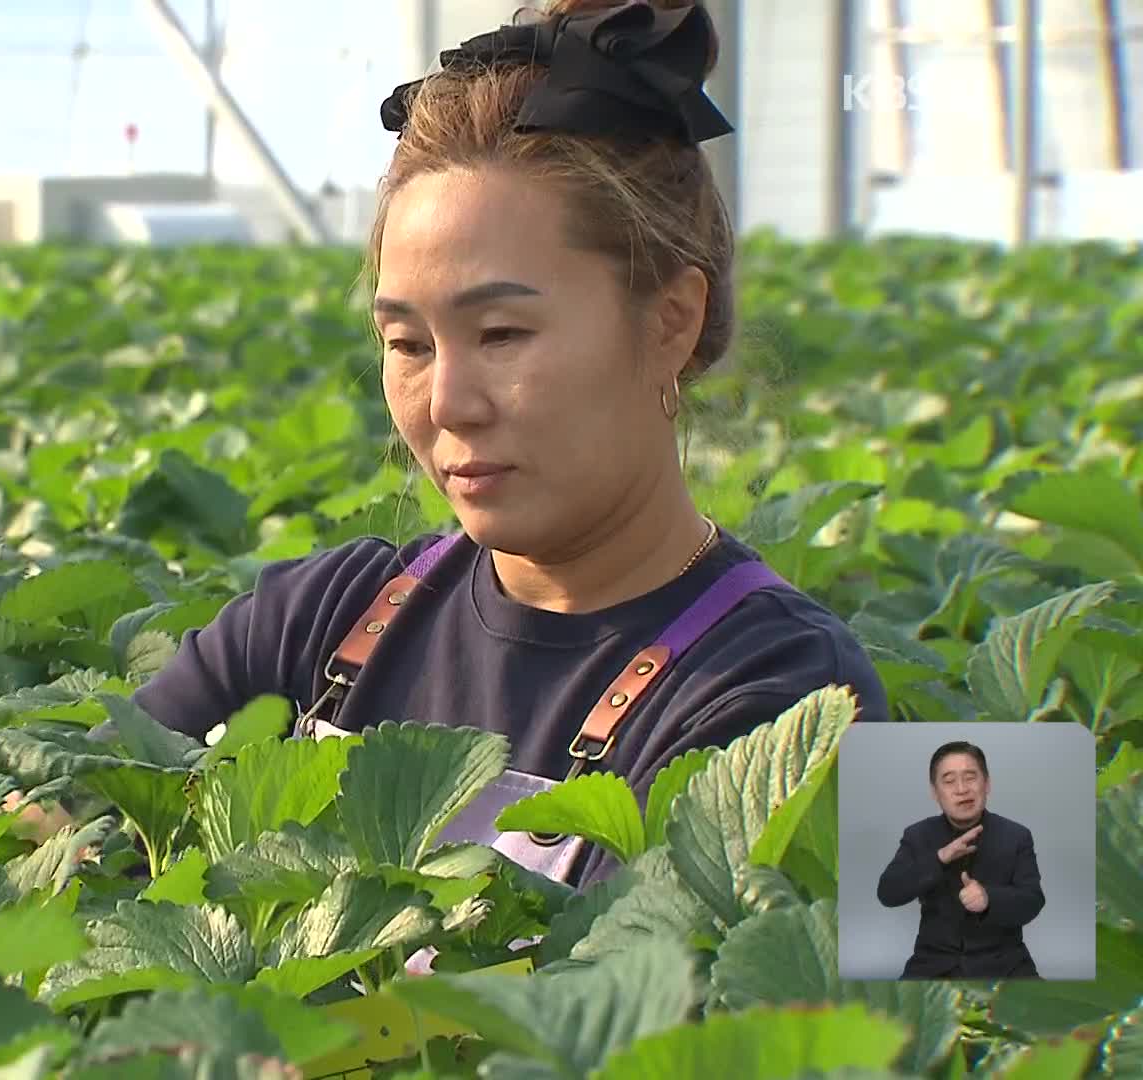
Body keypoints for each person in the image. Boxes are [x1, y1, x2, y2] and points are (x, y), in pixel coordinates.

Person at [129, 0, 889, 890]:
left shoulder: (800, 696)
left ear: (671, 322)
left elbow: (1004, 996)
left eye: (501, 334)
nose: (448, 402)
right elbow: (79, 813)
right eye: (407, 344)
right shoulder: (314, 622)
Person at [876, 741, 1044, 979]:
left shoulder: (1016, 836)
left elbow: (1033, 900)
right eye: (949, 780)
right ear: (935, 793)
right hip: (933, 964)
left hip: (1004, 964)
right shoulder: (918, 835)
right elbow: (888, 893)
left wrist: (988, 898)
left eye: (970, 777)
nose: (962, 789)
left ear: (987, 784)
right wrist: (939, 858)